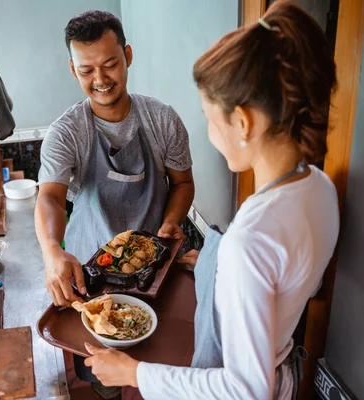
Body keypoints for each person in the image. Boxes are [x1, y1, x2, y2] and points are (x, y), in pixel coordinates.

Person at [82, 1, 339, 399]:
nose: (210, 134)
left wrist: (135, 373)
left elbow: (245, 390)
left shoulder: (250, 239)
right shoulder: (319, 188)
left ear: (242, 121)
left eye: (209, 116)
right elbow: (288, 279)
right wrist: (216, 268)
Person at [35, 10, 195, 399]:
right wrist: (52, 250)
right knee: (100, 380)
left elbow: (184, 183)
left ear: (127, 55)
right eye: (87, 70)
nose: (101, 80)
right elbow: (50, 197)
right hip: (90, 277)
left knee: (161, 371)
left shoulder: (163, 120)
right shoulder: (66, 132)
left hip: (156, 269)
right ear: (73, 70)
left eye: (110, 64)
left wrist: (173, 220)